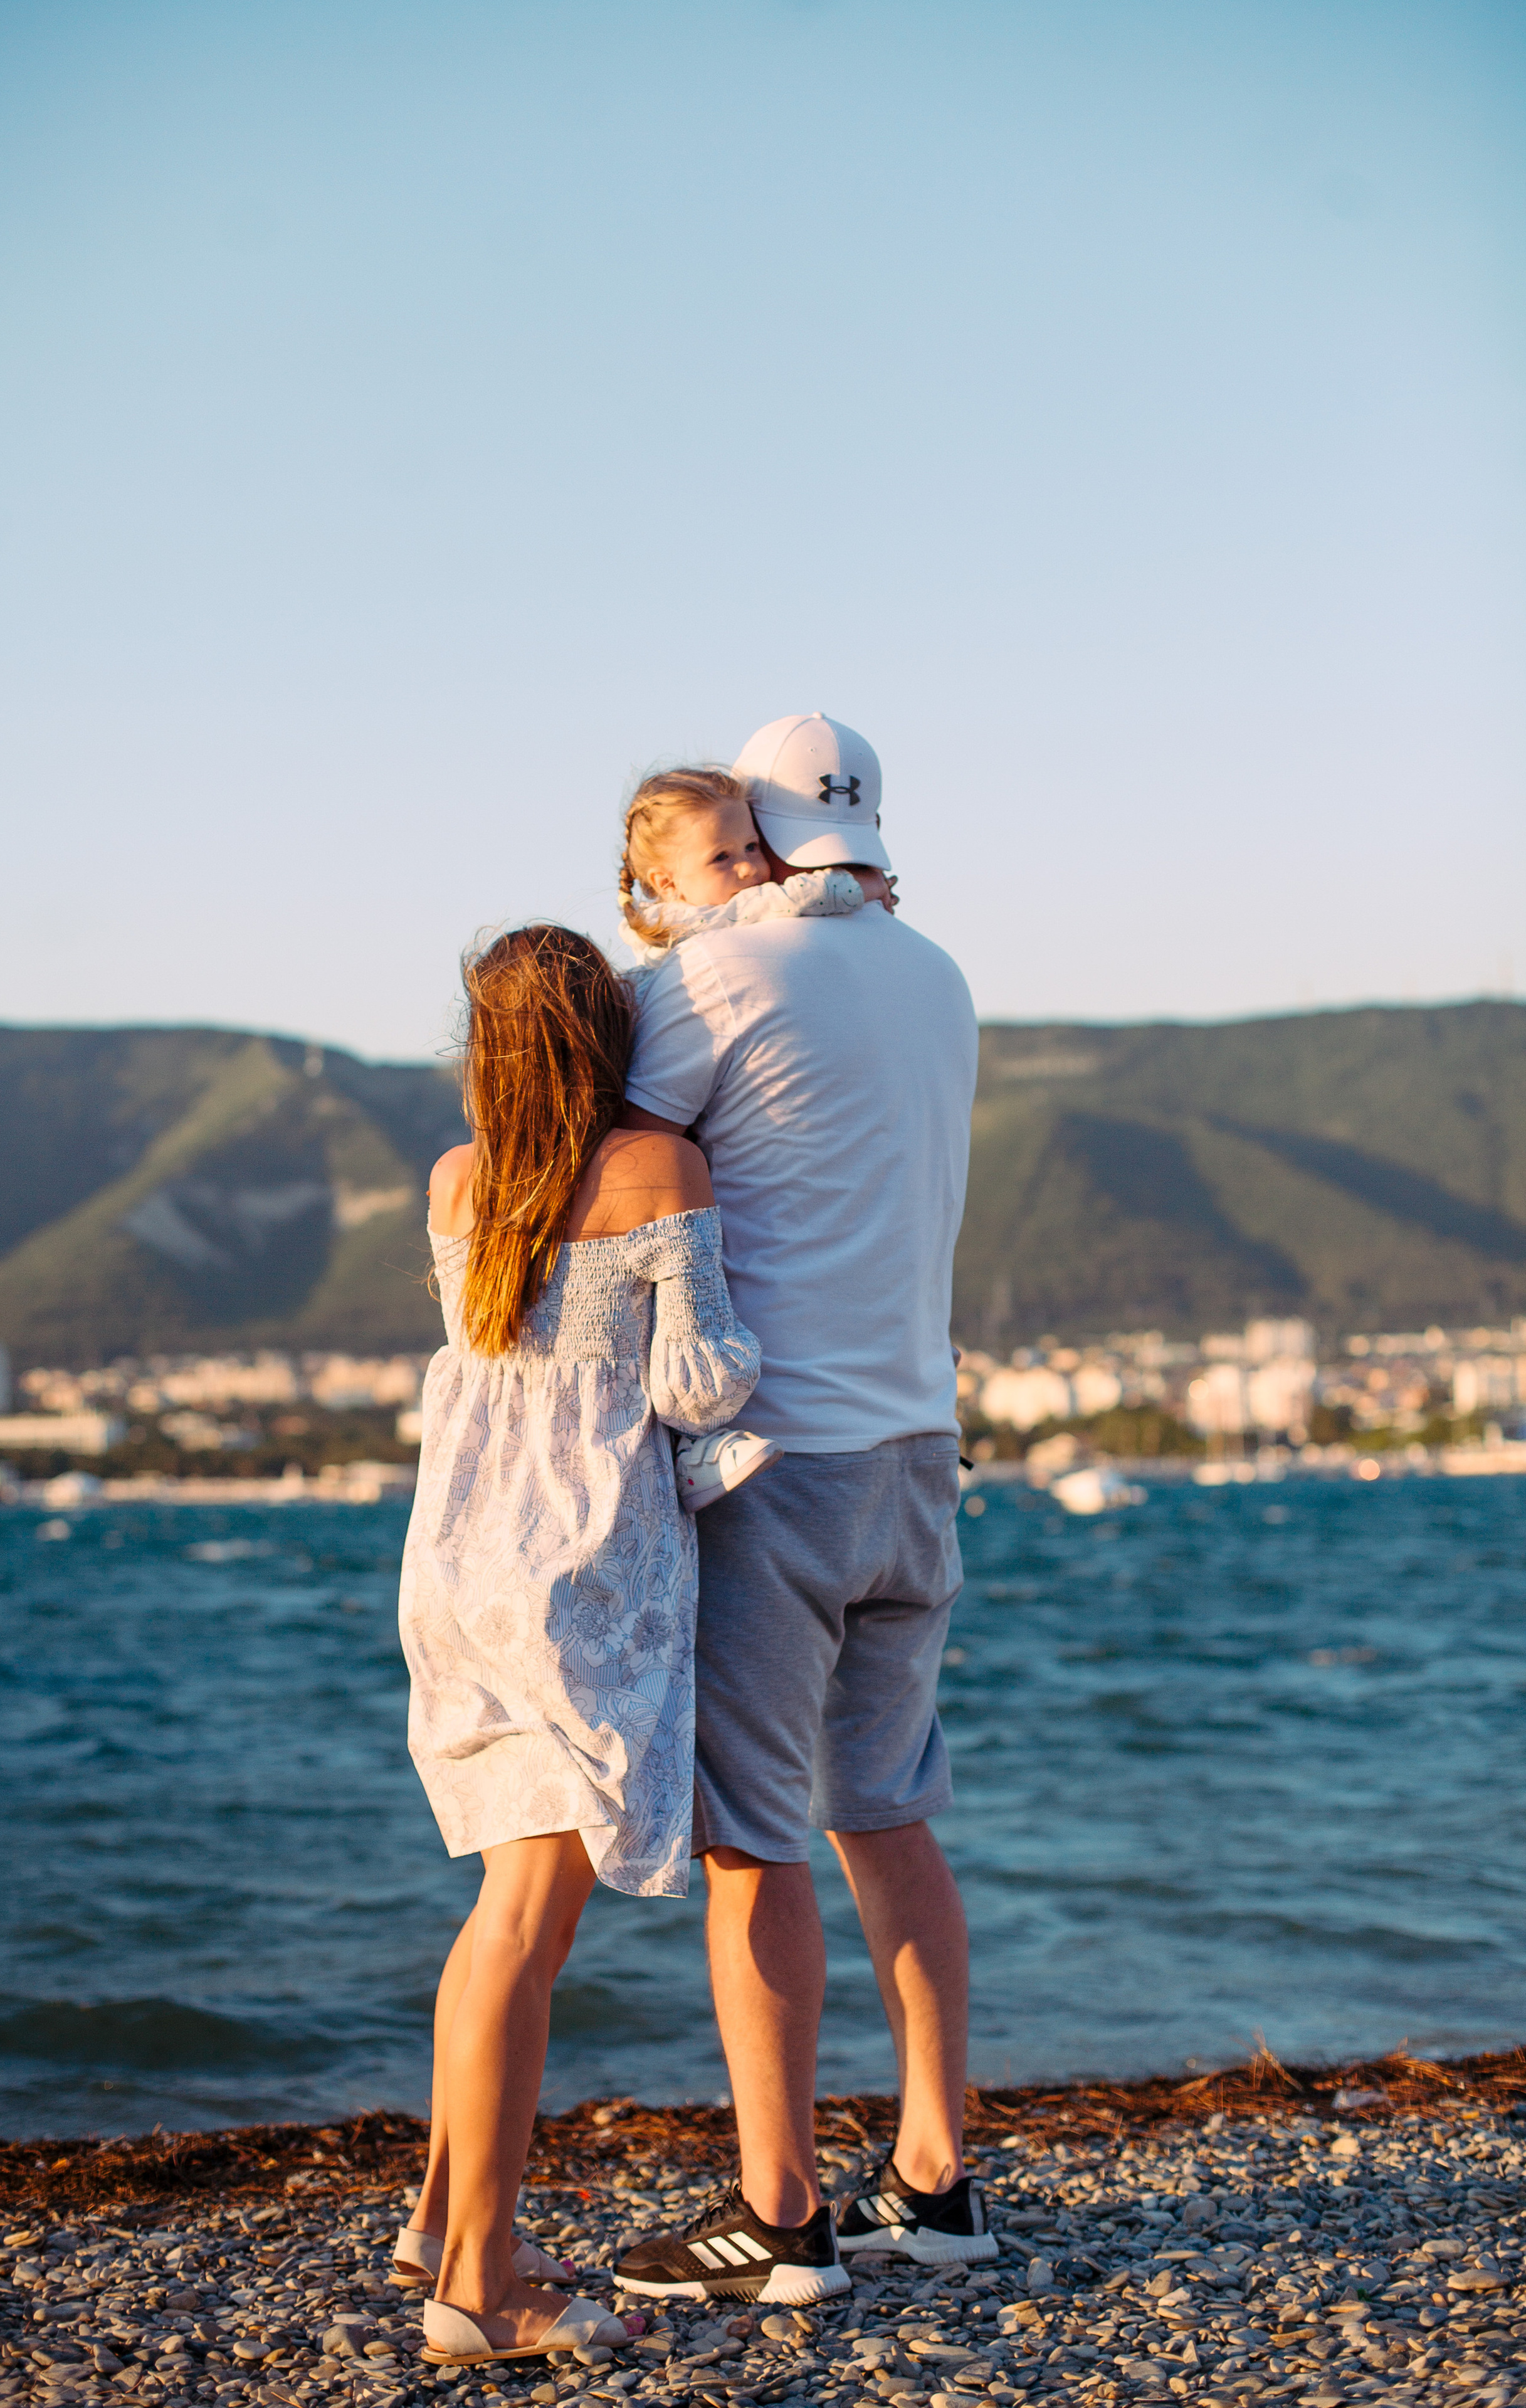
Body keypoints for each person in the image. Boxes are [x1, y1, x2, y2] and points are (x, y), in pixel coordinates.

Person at [613, 714, 993, 2301]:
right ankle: (936, 2181)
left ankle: (778, 2216)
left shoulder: (709, 978)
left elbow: (605, 1167)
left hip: (775, 1467)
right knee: (886, 1816)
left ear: (752, 829)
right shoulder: (941, 972)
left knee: (750, 1845)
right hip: (918, 1450)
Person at [395, 923, 764, 2364]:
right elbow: (700, 1374)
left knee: (497, 1912)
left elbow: (496, 1350)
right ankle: (477, 2295)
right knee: (522, 1933)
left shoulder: (456, 1180)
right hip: (579, 1580)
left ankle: (445, 2215)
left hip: (454, 1563)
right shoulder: (658, 1168)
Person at [616, 763, 889, 1512]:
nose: (748, 870)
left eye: (752, 847)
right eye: (721, 858)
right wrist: (866, 890)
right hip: (692, 1138)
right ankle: (693, 1442)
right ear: (667, 882)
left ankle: (693, 1442)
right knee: (690, 1304)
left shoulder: (679, 933)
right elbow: (818, 891)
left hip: (701, 1119)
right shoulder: (724, 941)